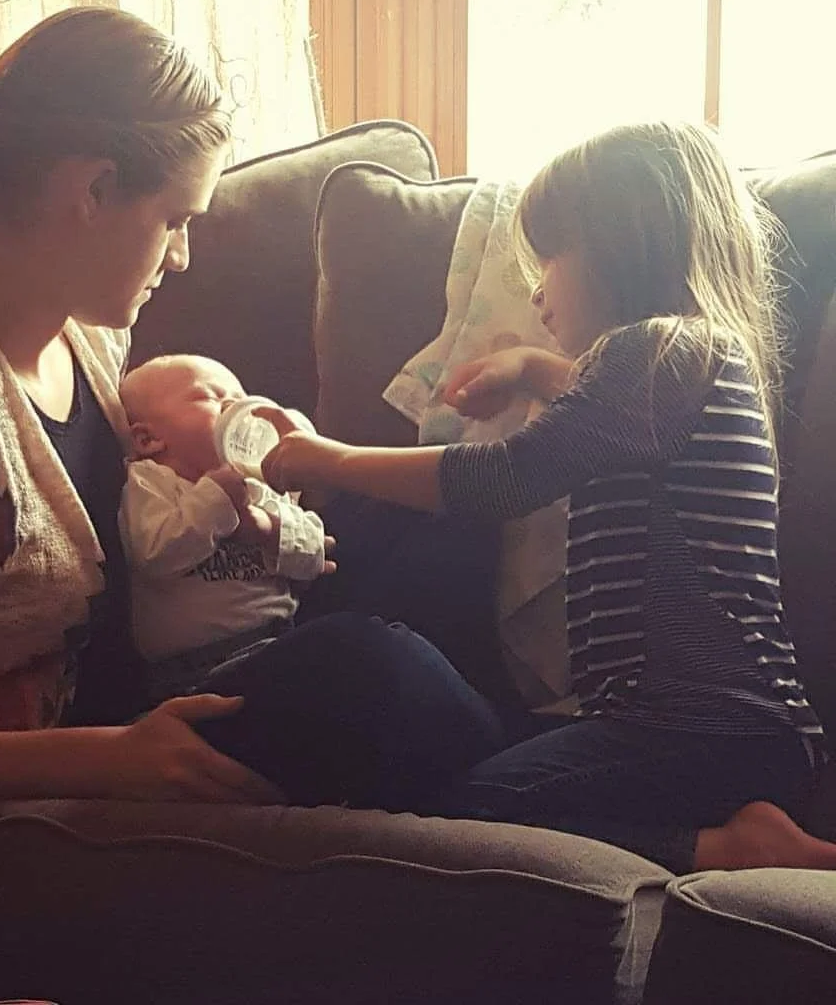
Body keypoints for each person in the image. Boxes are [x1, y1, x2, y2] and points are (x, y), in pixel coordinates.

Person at [0, 6, 499, 815]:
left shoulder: (80, 321)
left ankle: (525, 772)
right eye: (175, 221)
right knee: (372, 668)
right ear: (95, 189)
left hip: (146, 678)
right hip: (34, 785)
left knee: (430, 521)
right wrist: (106, 760)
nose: (180, 256)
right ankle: (522, 799)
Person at [261, 119, 836, 874]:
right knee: (478, 780)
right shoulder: (686, 361)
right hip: (710, 727)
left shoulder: (661, 348)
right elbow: (597, 411)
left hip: (707, 726)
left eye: (551, 257)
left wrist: (330, 459)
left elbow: (505, 477)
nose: (537, 292)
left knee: (474, 810)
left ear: (621, 243)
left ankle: (730, 849)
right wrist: (531, 369)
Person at [118, 353, 330, 703]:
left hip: (281, 637)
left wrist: (266, 527)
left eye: (240, 397)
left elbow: (314, 557)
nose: (236, 407)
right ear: (148, 440)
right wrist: (214, 499)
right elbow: (153, 555)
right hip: (195, 671)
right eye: (210, 396)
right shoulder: (150, 482)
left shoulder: (257, 480)